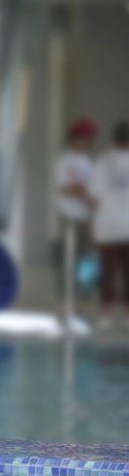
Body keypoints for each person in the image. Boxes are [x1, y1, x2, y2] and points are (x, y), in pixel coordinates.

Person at [54, 117, 97, 331]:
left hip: (85, 218)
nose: (89, 142)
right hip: (68, 217)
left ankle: (81, 307)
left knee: (86, 265)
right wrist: (86, 195)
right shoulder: (65, 161)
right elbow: (65, 187)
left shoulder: (88, 162)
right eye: (86, 138)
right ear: (76, 138)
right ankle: (65, 307)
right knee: (67, 263)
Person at [89, 120, 129, 331]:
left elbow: (93, 197)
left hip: (107, 224)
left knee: (108, 272)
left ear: (114, 139)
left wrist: (92, 222)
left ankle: (105, 317)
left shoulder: (102, 162)